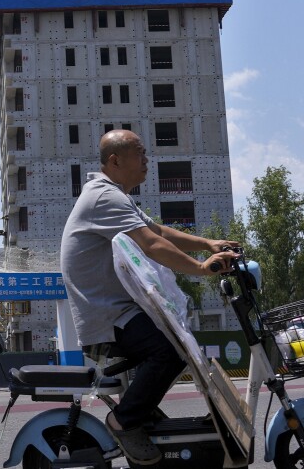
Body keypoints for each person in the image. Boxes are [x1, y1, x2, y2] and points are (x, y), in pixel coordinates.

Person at [60, 129, 240, 465]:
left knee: (177, 343)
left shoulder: (115, 196)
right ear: (115, 160)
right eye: (140, 153)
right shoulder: (104, 197)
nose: (147, 160)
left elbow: (157, 231)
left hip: (119, 310)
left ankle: (140, 412)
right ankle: (124, 421)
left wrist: (208, 244)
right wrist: (202, 269)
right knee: (169, 352)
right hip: (107, 318)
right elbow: (152, 244)